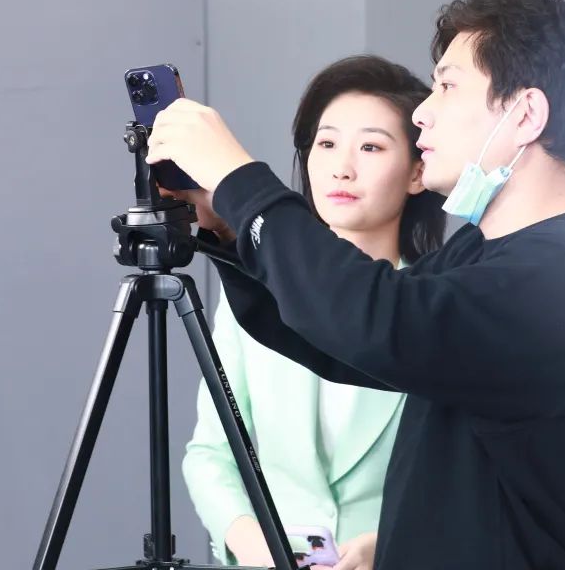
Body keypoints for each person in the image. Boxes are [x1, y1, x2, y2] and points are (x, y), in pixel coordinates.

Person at [151, 0, 565, 570]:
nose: (422, 112)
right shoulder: (485, 253)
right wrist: (226, 227)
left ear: (525, 114)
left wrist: (241, 182)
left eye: (448, 86)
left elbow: (378, 318)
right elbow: (337, 339)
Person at [182, 56, 444, 569]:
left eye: (371, 147)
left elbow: (461, 480)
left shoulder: (434, 309)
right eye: (326, 144)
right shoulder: (254, 296)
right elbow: (212, 453)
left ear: (418, 171)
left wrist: (390, 544)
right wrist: (255, 544)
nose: (341, 168)